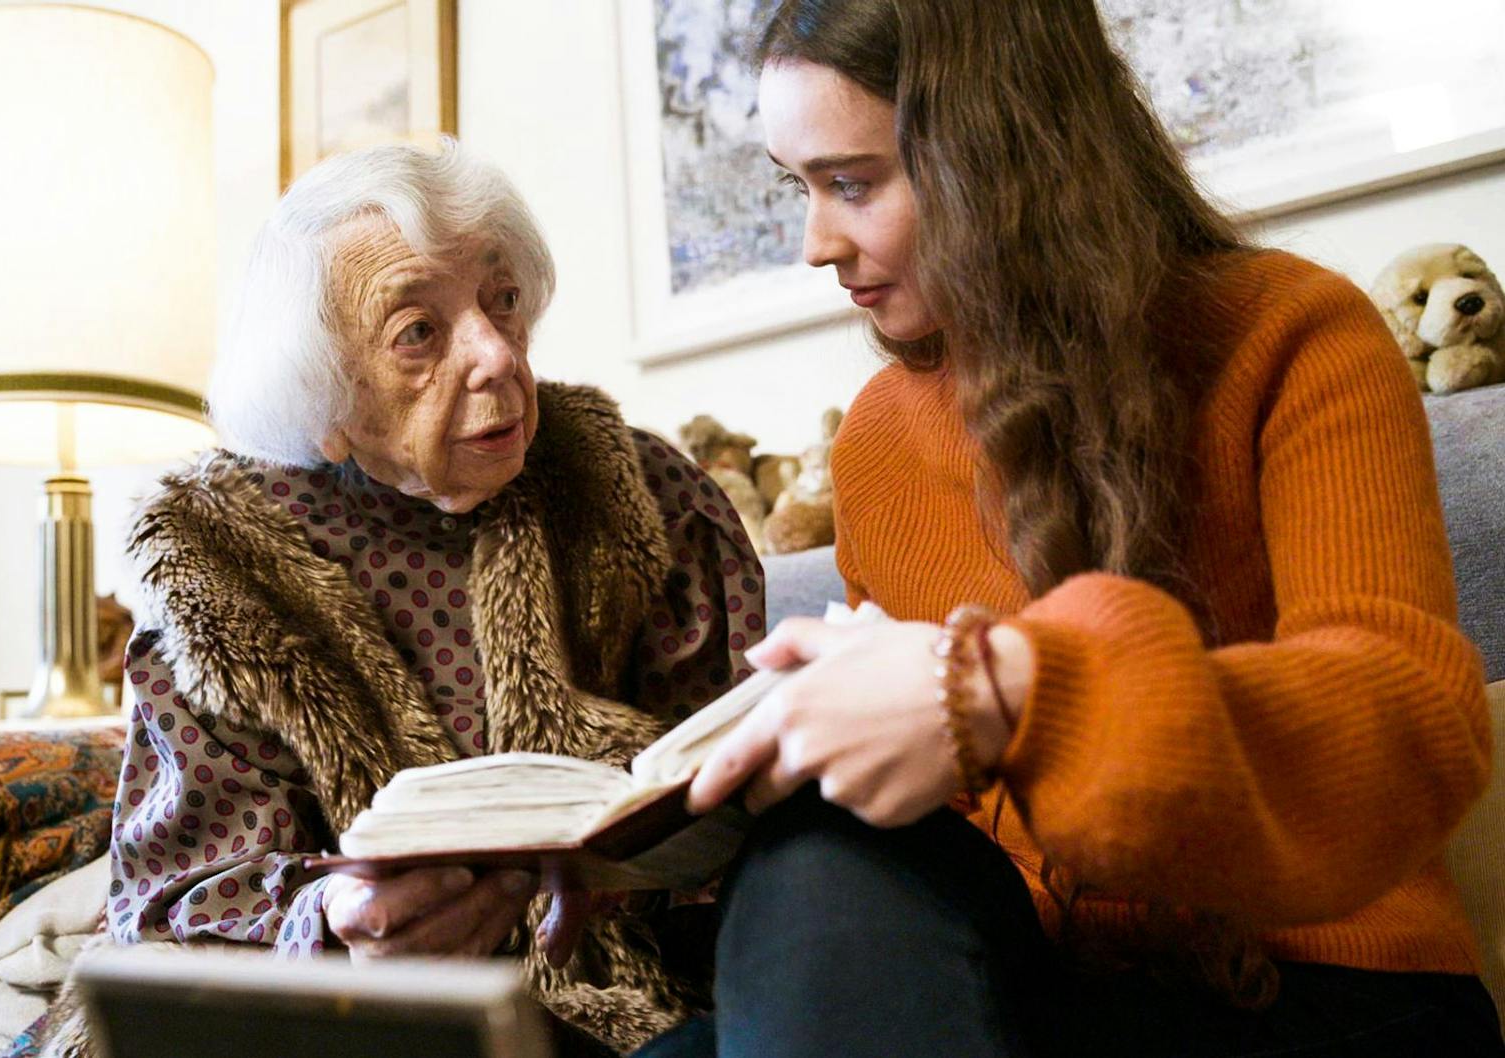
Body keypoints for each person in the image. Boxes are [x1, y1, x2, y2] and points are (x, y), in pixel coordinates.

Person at [637, 2, 1505, 1056]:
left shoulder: (1294, 336)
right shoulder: (874, 440)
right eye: (796, 185)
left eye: (851, 183)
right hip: (1041, 980)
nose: (814, 243)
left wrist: (1014, 691)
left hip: (1324, 989)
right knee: (789, 888)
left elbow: (1407, 724)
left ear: (997, 154)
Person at [91, 142, 764, 1056]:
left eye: (503, 301)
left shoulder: (638, 492)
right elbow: (168, 906)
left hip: (629, 1000)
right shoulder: (217, 567)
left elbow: (733, 800)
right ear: (323, 393)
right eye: (419, 331)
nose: (494, 355)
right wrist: (333, 922)